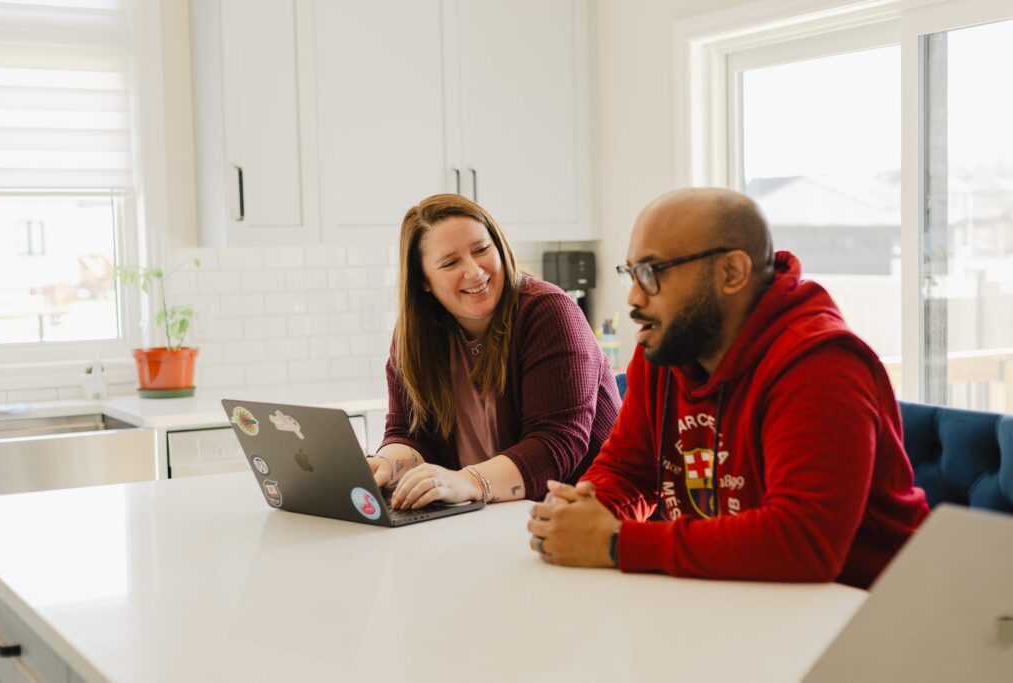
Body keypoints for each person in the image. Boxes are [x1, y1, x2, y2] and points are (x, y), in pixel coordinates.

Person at [526, 187, 929, 588]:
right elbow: (627, 471)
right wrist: (581, 515)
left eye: (652, 274)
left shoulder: (822, 363)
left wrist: (616, 543)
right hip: (740, 597)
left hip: (871, 612)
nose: (633, 297)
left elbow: (803, 542)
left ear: (731, 273)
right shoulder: (668, 348)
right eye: (631, 274)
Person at [368, 194, 621, 510]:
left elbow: (555, 445)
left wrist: (466, 482)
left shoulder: (548, 312)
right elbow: (408, 433)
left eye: (482, 250)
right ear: (424, 282)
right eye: (450, 262)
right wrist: (386, 464)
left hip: (581, 514)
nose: (474, 272)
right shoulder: (414, 335)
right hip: (490, 518)